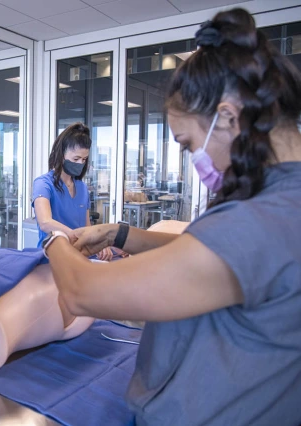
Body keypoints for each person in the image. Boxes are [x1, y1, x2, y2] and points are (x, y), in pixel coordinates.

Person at [42, 8, 301, 425]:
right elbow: (203, 252)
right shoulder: (278, 199)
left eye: (187, 144)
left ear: (229, 117)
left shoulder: (265, 219)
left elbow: (80, 291)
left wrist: (53, 241)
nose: (194, 160)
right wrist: (119, 233)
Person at [32, 122, 114, 261]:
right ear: (61, 154)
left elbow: (87, 226)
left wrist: (99, 244)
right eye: (76, 158)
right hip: (53, 256)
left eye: (84, 159)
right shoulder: (43, 184)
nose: (80, 163)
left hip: (81, 255)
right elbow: (45, 222)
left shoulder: (82, 188)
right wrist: (76, 235)